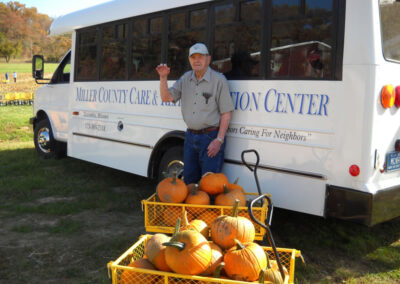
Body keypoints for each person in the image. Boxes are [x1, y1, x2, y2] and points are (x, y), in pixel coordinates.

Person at [156, 43, 234, 184]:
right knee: (190, 183)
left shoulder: (219, 81)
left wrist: (219, 140)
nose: (196, 60)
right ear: (189, 60)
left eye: (200, 57)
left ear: (208, 59)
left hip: (211, 138)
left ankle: (206, 207)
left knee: (209, 184)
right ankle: (192, 207)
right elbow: (166, 97)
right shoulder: (185, 78)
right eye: (193, 57)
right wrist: (163, 78)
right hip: (190, 138)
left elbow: (226, 114)